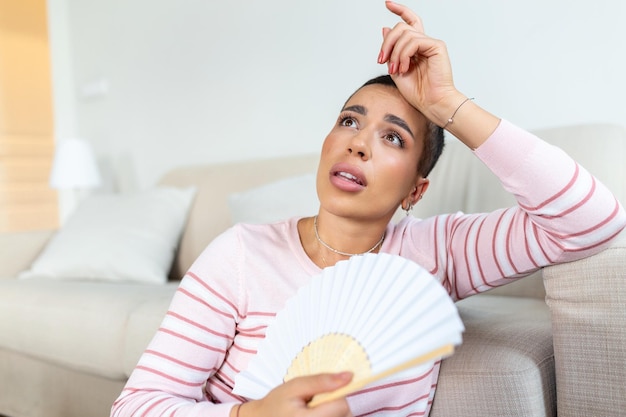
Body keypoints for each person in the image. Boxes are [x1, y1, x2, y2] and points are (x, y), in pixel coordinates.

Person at [111, 1, 626, 416]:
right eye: (350, 122)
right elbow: (135, 406)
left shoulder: (436, 252)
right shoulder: (241, 255)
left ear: (415, 192)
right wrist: (251, 416)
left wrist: (448, 103)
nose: (358, 145)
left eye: (393, 139)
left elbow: (592, 220)